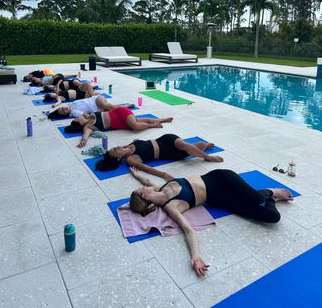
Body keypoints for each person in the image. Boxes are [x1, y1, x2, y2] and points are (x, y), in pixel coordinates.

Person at [129, 167, 294, 277]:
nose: (143, 186)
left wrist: (137, 175)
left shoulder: (159, 187)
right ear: (144, 196)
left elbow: (147, 182)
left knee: (257, 199)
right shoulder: (170, 207)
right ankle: (272, 198)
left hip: (221, 178)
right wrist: (196, 257)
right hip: (218, 198)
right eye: (140, 188)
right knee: (272, 217)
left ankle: (270, 191)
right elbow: (188, 230)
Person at [96, 133, 223, 176]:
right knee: (199, 145)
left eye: (113, 147)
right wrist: (163, 174)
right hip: (168, 152)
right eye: (115, 150)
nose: (116, 147)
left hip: (165, 139)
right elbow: (147, 168)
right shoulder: (131, 159)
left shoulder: (128, 145)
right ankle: (205, 153)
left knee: (186, 146)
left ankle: (206, 154)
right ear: (118, 158)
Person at [64, 109, 174, 148]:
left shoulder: (89, 115)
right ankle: (162, 120)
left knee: (135, 126)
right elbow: (86, 135)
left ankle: (152, 125)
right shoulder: (88, 126)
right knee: (139, 122)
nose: (79, 117)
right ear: (80, 124)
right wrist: (83, 141)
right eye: (78, 120)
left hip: (121, 113)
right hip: (121, 123)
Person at [47, 94, 122, 119]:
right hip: (97, 106)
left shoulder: (70, 105)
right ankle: (126, 107)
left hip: (96, 100)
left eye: (61, 108)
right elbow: (85, 115)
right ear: (66, 114)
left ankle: (123, 109)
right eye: (63, 111)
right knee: (110, 109)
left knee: (107, 106)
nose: (64, 108)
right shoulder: (74, 112)